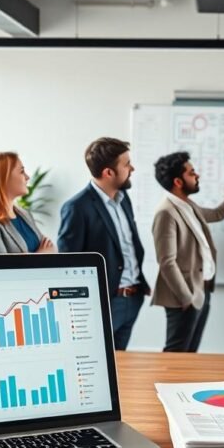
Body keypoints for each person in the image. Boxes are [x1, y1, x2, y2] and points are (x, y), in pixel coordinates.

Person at [152, 151, 224, 353]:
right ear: (178, 181)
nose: (197, 176)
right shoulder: (166, 212)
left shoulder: (187, 205)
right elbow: (167, 261)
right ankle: (166, 384)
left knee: (190, 352)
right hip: (185, 295)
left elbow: (218, 213)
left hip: (202, 289)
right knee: (176, 353)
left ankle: (181, 386)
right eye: (191, 172)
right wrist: (187, 298)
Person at [58, 138, 150, 351]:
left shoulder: (123, 198)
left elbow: (129, 245)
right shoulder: (76, 208)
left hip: (133, 297)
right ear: (108, 172)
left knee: (120, 367)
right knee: (98, 362)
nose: (132, 168)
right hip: (105, 304)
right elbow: (69, 264)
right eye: (127, 164)